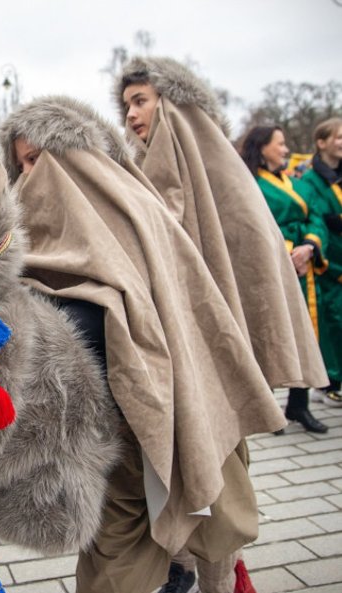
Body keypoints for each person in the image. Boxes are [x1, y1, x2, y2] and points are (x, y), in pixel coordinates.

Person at [0, 96, 283, 593]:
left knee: (215, 526)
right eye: (21, 164)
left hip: (189, 411)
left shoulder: (140, 214)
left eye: (38, 159)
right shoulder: (27, 242)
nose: (28, 176)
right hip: (111, 440)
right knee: (116, 563)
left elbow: (192, 313)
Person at [114, 54, 328, 593]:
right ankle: (190, 569)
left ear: (172, 101)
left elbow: (249, 261)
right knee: (182, 481)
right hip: (173, 364)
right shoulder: (137, 173)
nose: (131, 114)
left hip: (216, 364)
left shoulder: (217, 176)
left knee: (219, 484)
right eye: (125, 106)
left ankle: (219, 578)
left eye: (140, 100)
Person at [240, 125, 336, 433]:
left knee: (306, 336)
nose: (285, 150)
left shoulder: (295, 183)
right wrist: (289, 250)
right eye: (280, 144)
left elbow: (316, 218)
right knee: (269, 333)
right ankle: (264, 406)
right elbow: (247, 227)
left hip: (304, 271)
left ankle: (299, 404)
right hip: (270, 271)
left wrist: (309, 246)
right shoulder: (248, 184)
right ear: (262, 147)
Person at [297, 117, 342, 405]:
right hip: (329, 268)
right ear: (321, 142)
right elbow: (317, 222)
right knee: (332, 322)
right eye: (338, 137)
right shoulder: (310, 182)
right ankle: (330, 381)